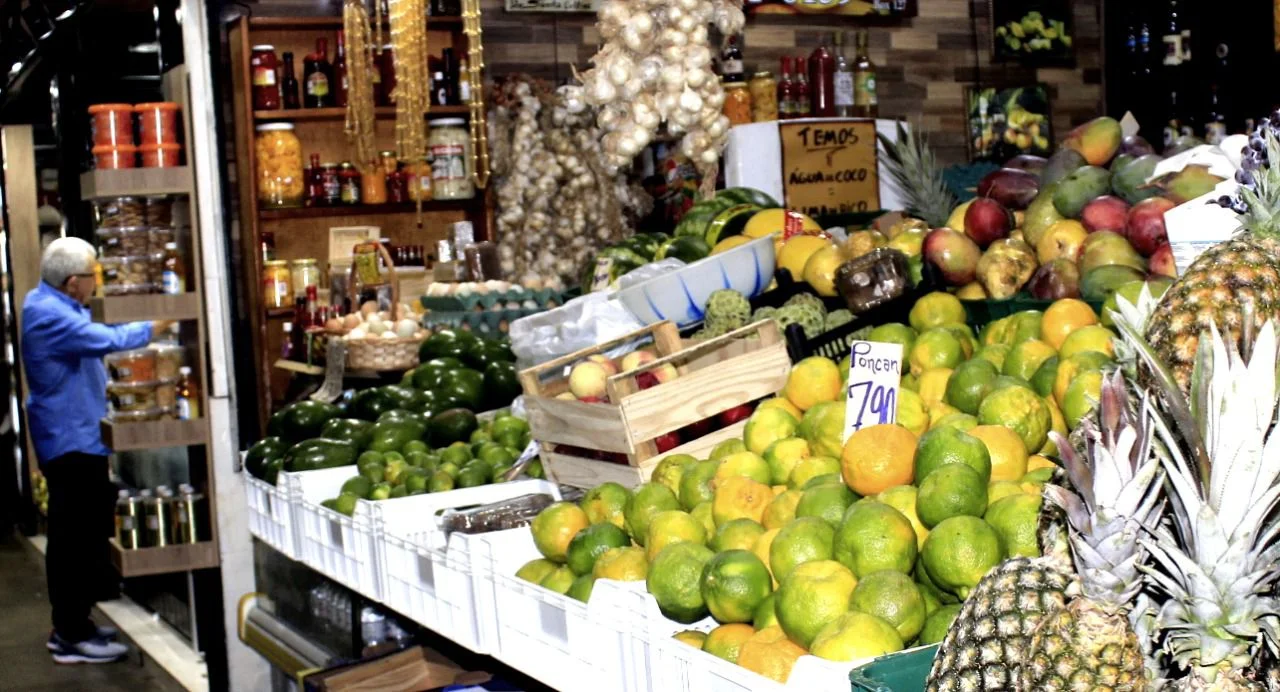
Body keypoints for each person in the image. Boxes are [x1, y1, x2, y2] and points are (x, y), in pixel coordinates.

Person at [21, 237, 173, 664]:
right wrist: (162, 320)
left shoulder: (51, 302)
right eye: (94, 276)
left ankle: (76, 624)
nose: (97, 283)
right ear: (74, 283)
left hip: (78, 434)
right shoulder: (48, 314)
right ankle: (69, 634)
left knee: (82, 534)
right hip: (68, 440)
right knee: (72, 539)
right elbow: (107, 338)